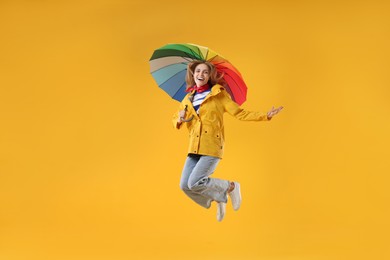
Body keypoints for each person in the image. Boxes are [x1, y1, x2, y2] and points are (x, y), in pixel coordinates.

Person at [173, 60, 283, 221]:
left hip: (212, 146)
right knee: (184, 186)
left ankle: (231, 186)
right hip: (194, 147)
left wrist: (265, 115)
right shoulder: (188, 99)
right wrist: (180, 118)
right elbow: (175, 118)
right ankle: (218, 197)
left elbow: (240, 113)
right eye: (198, 71)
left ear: (210, 75)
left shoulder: (219, 95)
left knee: (195, 183)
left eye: (205, 72)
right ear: (192, 74)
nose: (200, 75)